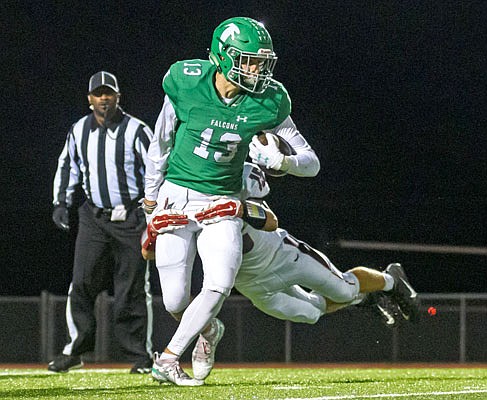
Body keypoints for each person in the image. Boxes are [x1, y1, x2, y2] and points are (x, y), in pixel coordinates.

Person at [143, 17, 320, 386]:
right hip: (176, 194)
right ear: (223, 57)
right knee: (175, 301)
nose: (257, 70)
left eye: (261, 62)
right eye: (249, 60)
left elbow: (311, 163)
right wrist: (150, 199)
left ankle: (170, 358)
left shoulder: (269, 100)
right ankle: (208, 331)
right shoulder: (186, 80)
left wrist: (283, 161)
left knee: (219, 282)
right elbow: (160, 143)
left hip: (222, 200)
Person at [142, 163, 420, 383]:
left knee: (344, 288)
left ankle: (389, 280)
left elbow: (271, 220)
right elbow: (149, 252)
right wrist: (155, 232)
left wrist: (238, 208)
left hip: (286, 257)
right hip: (252, 284)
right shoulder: (175, 194)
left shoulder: (236, 174)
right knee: (311, 314)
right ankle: (364, 299)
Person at [50, 71, 154, 374]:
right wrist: (60, 202)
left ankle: (140, 356)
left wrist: (155, 212)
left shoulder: (136, 130)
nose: (103, 98)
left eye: (109, 93)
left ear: (118, 96)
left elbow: (156, 170)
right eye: (98, 94)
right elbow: (67, 165)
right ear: (89, 99)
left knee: (132, 289)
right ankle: (75, 349)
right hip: (94, 216)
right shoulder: (78, 130)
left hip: (132, 216)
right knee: (81, 283)